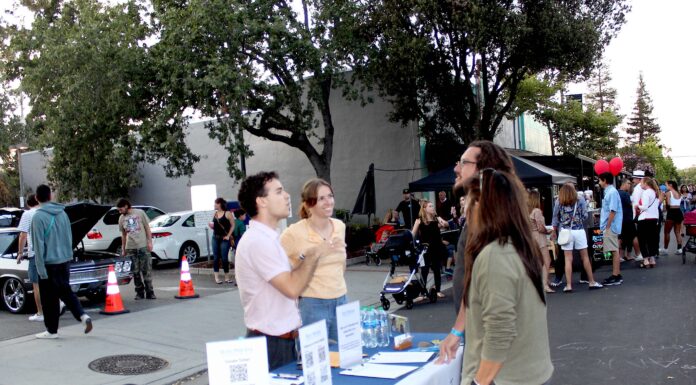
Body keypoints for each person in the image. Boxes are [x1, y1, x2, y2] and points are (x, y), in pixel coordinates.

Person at [235, 171, 343, 370]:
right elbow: (292, 288)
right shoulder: (259, 242)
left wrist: (303, 259)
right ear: (262, 201)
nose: (286, 196)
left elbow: (285, 279)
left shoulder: (269, 238)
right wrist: (313, 255)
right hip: (272, 345)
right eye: (278, 191)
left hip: (280, 341)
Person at [460, 169, 553, 385]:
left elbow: (499, 330)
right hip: (530, 372)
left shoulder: (496, 254)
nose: (465, 207)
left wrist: (478, 382)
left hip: (506, 378)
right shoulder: (522, 246)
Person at [437, 140, 514, 365]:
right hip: (476, 328)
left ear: (482, 171)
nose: (456, 168)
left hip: (490, 338)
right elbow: (472, 280)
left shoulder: (488, 217)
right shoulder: (479, 211)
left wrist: (483, 376)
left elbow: (497, 299)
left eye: (463, 162)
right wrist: (458, 330)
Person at [280, 179, 348, 342]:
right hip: (312, 305)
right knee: (314, 361)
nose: (328, 202)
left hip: (342, 301)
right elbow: (276, 265)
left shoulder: (339, 226)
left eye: (330, 196)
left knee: (347, 357)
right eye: (321, 198)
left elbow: (341, 265)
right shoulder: (294, 233)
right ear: (309, 203)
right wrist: (309, 255)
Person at [31, 184, 92, 339]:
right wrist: (68, 256)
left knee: (49, 299)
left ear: (37, 198)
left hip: (48, 263)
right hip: (64, 261)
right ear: (50, 196)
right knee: (65, 291)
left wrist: (40, 269)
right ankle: (83, 316)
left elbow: (38, 245)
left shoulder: (38, 217)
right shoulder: (62, 214)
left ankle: (52, 331)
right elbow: (69, 237)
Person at [552, 183, 603, 292]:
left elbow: (555, 217)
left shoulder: (559, 201)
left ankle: (569, 285)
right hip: (579, 230)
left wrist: (556, 228)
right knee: (585, 257)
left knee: (568, 259)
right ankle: (591, 281)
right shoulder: (580, 200)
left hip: (565, 231)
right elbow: (585, 215)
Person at [117, 198, 156, 300]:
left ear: (126, 206)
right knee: (135, 272)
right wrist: (123, 248)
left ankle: (150, 292)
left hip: (142, 246)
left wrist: (149, 242)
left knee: (146, 270)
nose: (119, 211)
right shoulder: (121, 218)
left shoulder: (140, 213)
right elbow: (123, 234)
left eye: (120, 209)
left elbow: (147, 228)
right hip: (130, 248)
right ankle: (139, 292)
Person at [412, 200, 449, 298]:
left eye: (433, 206)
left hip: (436, 247)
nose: (433, 208)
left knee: (437, 269)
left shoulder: (436, 220)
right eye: (430, 206)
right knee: (425, 270)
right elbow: (412, 233)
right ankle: (423, 292)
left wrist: (440, 218)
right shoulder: (419, 220)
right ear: (424, 209)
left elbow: (446, 225)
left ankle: (438, 290)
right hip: (425, 249)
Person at [16, 194, 44, 322]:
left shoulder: (28, 214)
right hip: (49, 252)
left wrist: (20, 252)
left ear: (28, 204)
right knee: (50, 282)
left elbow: (22, 235)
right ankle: (57, 303)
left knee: (36, 284)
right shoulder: (45, 212)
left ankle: (40, 313)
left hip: (35, 253)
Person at [598, 173, 623, 286]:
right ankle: (616, 274)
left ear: (604, 180)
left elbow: (613, 211)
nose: (599, 183)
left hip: (611, 226)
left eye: (600, 180)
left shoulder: (611, 192)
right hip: (611, 225)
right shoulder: (610, 191)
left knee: (614, 250)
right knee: (614, 250)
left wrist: (607, 226)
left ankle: (616, 275)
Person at [528, 189, 553, 293]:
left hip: (531, 237)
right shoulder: (537, 211)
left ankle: (540, 282)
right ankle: (545, 284)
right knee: (546, 261)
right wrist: (548, 231)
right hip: (540, 237)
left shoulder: (527, 211)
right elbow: (540, 227)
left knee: (537, 262)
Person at [636, 177, 660, 267]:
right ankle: (652, 258)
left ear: (646, 183)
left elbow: (645, 207)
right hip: (654, 218)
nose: (640, 184)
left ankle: (646, 259)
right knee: (652, 239)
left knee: (642, 240)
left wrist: (638, 205)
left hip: (644, 219)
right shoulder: (655, 192)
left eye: (641, 182)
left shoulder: (646, 193)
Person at [211, 198, 234, 284]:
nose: (214, 205)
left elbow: (233, 225)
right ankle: (217, 277)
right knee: (216, 258)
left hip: (224, 238)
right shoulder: (215, 214)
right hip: (215, 237)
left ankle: (226, 277)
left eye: (215, 203)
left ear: (220, 204)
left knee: (224, 258)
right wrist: (212, 226)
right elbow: (215, 226)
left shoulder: (227, 213)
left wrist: (228, 236)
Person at [662, 181, 684, 254]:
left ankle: (665, 249)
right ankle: (679, 249)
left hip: (671, 212)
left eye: (666, 185)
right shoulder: (679, 193)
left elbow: (668, 204)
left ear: (670, 185)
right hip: (678, 212)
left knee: (667, 232)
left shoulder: (668, 193)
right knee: (677, 232)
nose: (666, 186)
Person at [618, 179, 636, 262]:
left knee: (621, 237)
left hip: (619, 219)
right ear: (623, 184)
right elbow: (630, 204)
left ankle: (621, 255)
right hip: (627, 219)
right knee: (631, 237)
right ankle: (628, 255)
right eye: (628, 183)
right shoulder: (625, 194)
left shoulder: (616, 193)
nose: (630, 185)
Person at [630, 170, 646, 262]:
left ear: (638, 179)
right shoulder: (644, 188)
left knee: (635, 235)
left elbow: (636, 203)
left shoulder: (638, 188)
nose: (633, 179)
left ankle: (639, 254)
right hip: (642, 214)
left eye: (634, 178)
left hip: (637, 214)